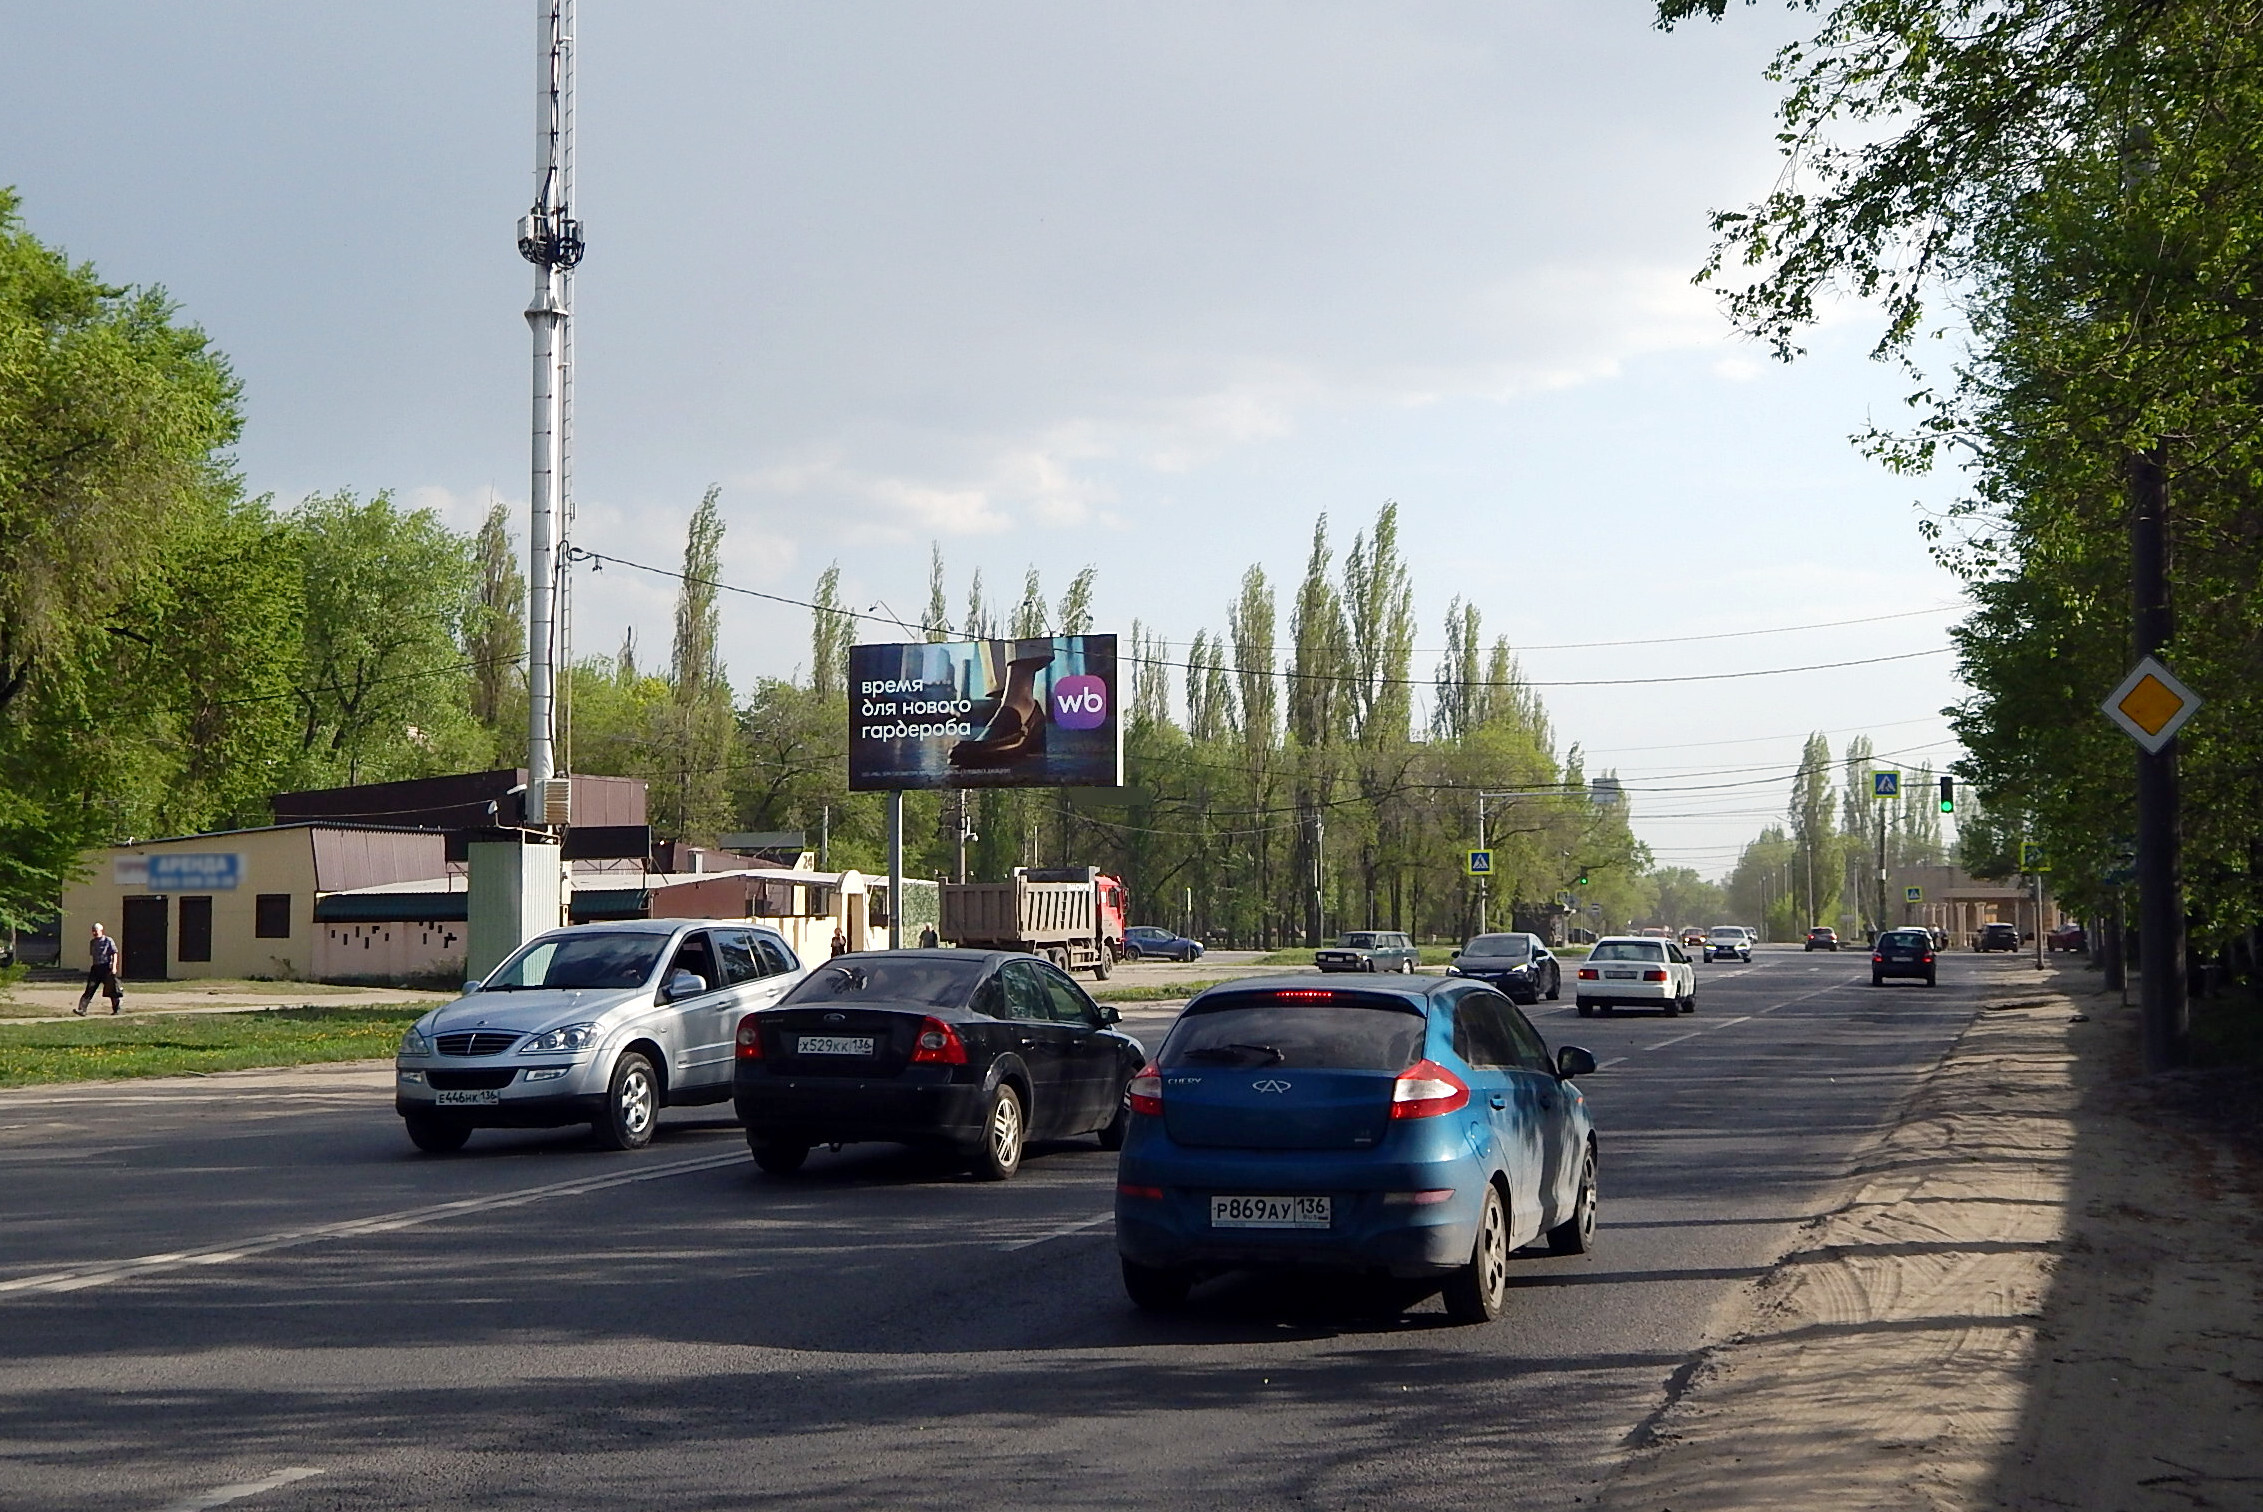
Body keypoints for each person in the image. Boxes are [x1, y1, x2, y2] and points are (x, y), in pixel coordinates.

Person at [77, 923, 123, 1016]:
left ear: (101, 931)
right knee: (90, 988)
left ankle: (116, 1009)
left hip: (106, 967)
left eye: (96, 931)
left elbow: (114, 953)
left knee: (112, 989)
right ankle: (82, 1009)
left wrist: (114, 967)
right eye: (93, 931)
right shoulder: (93, 942)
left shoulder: (108, 940)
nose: (94, 933)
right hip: (96, 967)